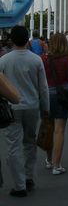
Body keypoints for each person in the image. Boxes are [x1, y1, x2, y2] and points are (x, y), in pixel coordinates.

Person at [0, 25, 48, 197]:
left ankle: (19, 185)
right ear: (28, 39)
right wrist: (46, 109)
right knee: (29, 142)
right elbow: (43, 88)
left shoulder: (3, 61)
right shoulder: (36, 60)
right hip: (32, 106)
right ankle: (29, 177)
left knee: (13, 146)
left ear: (11, 39)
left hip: (11, 109)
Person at [42, 33, 68, 175]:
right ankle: (57, 165)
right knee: (59, 130)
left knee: (48, 127)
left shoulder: (43, 59)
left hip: (45, 96)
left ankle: (49, 159)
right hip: (62, 96)